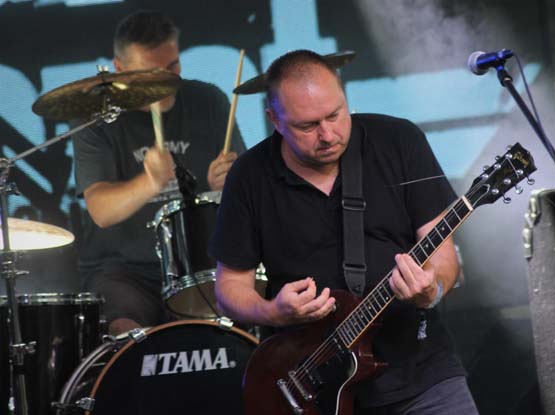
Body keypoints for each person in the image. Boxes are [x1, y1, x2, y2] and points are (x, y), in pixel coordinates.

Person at [208, 50, 479, 414]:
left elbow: (443, 256)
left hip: (421, 372)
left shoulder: (399, 140)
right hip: (314, 386)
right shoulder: (249, 175)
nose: (328, 135)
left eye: (335, 115)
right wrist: (273, 311)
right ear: (275, 120)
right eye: (308, 126)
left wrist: (431, 290)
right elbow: (229, 288)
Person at [72, 10, 245, 336]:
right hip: (122, 270)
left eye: (173, 66)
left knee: (225, 324)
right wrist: (149, 182)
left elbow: (248, 192)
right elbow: (101, 211)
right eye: (151, 73)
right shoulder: (96, 118)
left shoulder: (209, 101)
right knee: (124, 331)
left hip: (197, 263)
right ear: (120, 67)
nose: (166, 81)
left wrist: (226, 186)